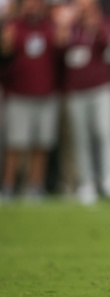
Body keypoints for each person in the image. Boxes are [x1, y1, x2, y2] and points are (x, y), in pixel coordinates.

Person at [59, 0, 110, 204]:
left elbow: (107, 42)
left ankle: (108, 180)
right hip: (75, 90)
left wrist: (93, 23)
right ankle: (86, 183)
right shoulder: (70, 25)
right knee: (80, 138)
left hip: (101, 87)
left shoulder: (102, 22)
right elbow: (58, 47)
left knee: (104, 133)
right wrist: (66, 24)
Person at [0, 0, 60, 200]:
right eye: (28, 3)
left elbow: (60, 51)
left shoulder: (49, 27)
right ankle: (8, 187)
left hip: (45, 94)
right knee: (16, 144)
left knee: (41, 144)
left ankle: (36, 187)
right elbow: (5, 56)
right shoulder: (13, 27)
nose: (32, 6)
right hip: (19, 94)